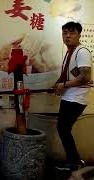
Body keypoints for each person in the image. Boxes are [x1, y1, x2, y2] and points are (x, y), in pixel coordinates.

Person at [53, 21, 92, 171]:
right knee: (63, 128)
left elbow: (85, 77)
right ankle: (74, 160)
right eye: (64, 33)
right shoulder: (71, 52)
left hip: (76, 98)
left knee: (63, 128)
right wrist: (56, 84)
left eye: (71, 32)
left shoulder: (82, 51)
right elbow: (69, 75)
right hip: (70, 97)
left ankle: (73, 161)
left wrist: (64, 85)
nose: (67, 36)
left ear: (79, 34)